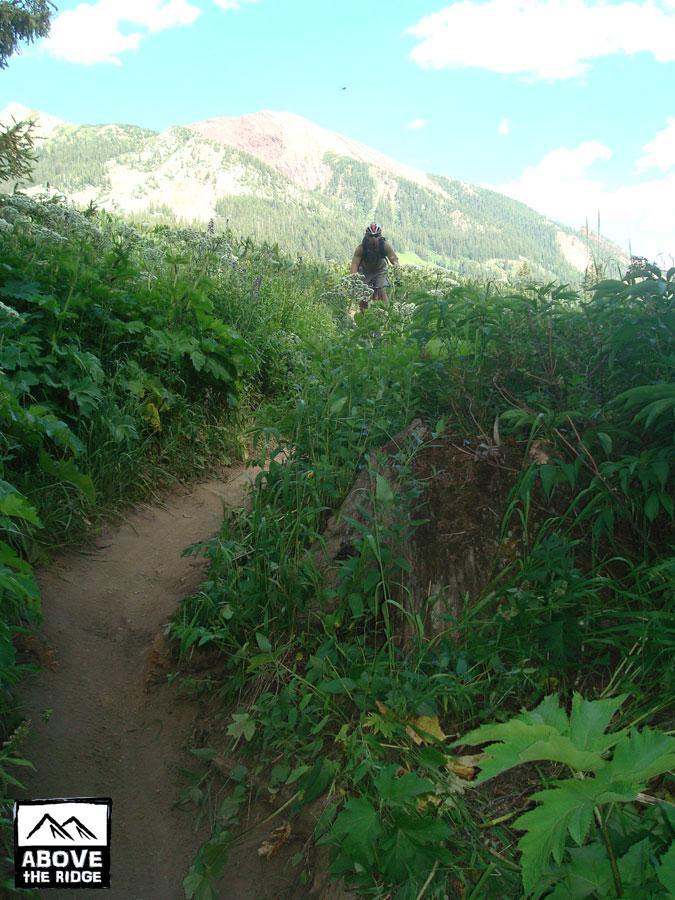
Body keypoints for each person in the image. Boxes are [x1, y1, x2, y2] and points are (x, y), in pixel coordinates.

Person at [350, 223, 400, 310]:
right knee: (363, 294)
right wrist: (354, 276)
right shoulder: (361, 248)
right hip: (365, 271)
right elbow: (355, 263)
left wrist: (398, 275)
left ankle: (387, 312)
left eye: (376, 236)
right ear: (367, 236)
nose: (373, 238)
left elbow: (394, 260)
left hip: (380, 270)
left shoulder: (385, 246)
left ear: (380, 236)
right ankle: (363, 316)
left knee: (381, 291)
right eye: (371, 236)